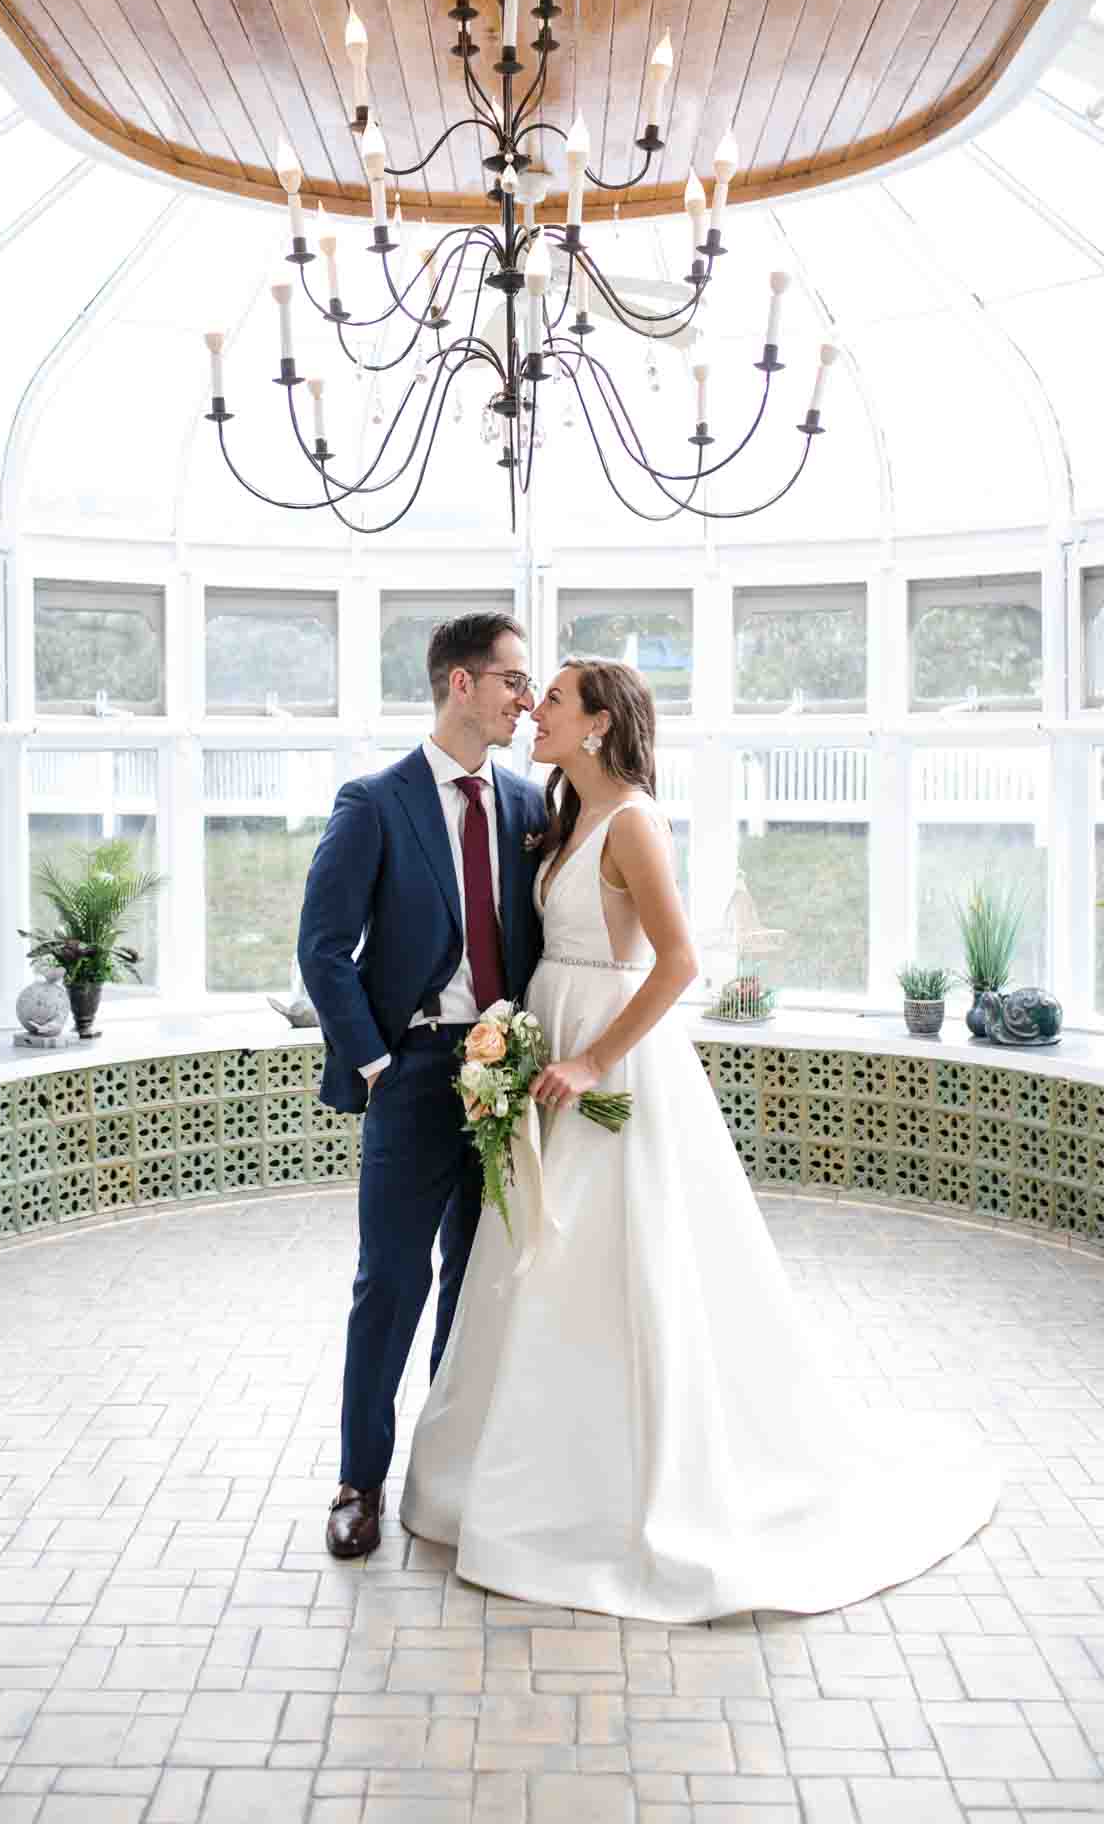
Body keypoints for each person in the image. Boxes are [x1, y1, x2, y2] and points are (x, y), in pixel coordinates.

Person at [401, 657, 998, 1620]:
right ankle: (513, 1470)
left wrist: (591, 1061)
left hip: (613, 1063)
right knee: (536, 1256)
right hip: (549, 1043)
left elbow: (677, 962)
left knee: (609, 1259)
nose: (533, 711)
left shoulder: (633, 821)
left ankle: (613, 1496)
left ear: (598, 724)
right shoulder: (560, 819)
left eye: (551, 699)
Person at [298, 613, 547, 1559]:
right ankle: (358, 1480)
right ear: (460, 684)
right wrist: (373, 1061)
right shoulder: (374, 801)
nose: (525, 699)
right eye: (512, 681)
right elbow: (322, 948)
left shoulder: (527, 806)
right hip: (410, 1075)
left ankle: (446, 1470)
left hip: (507, 1074)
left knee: (475, 1286)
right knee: (389, 1284)